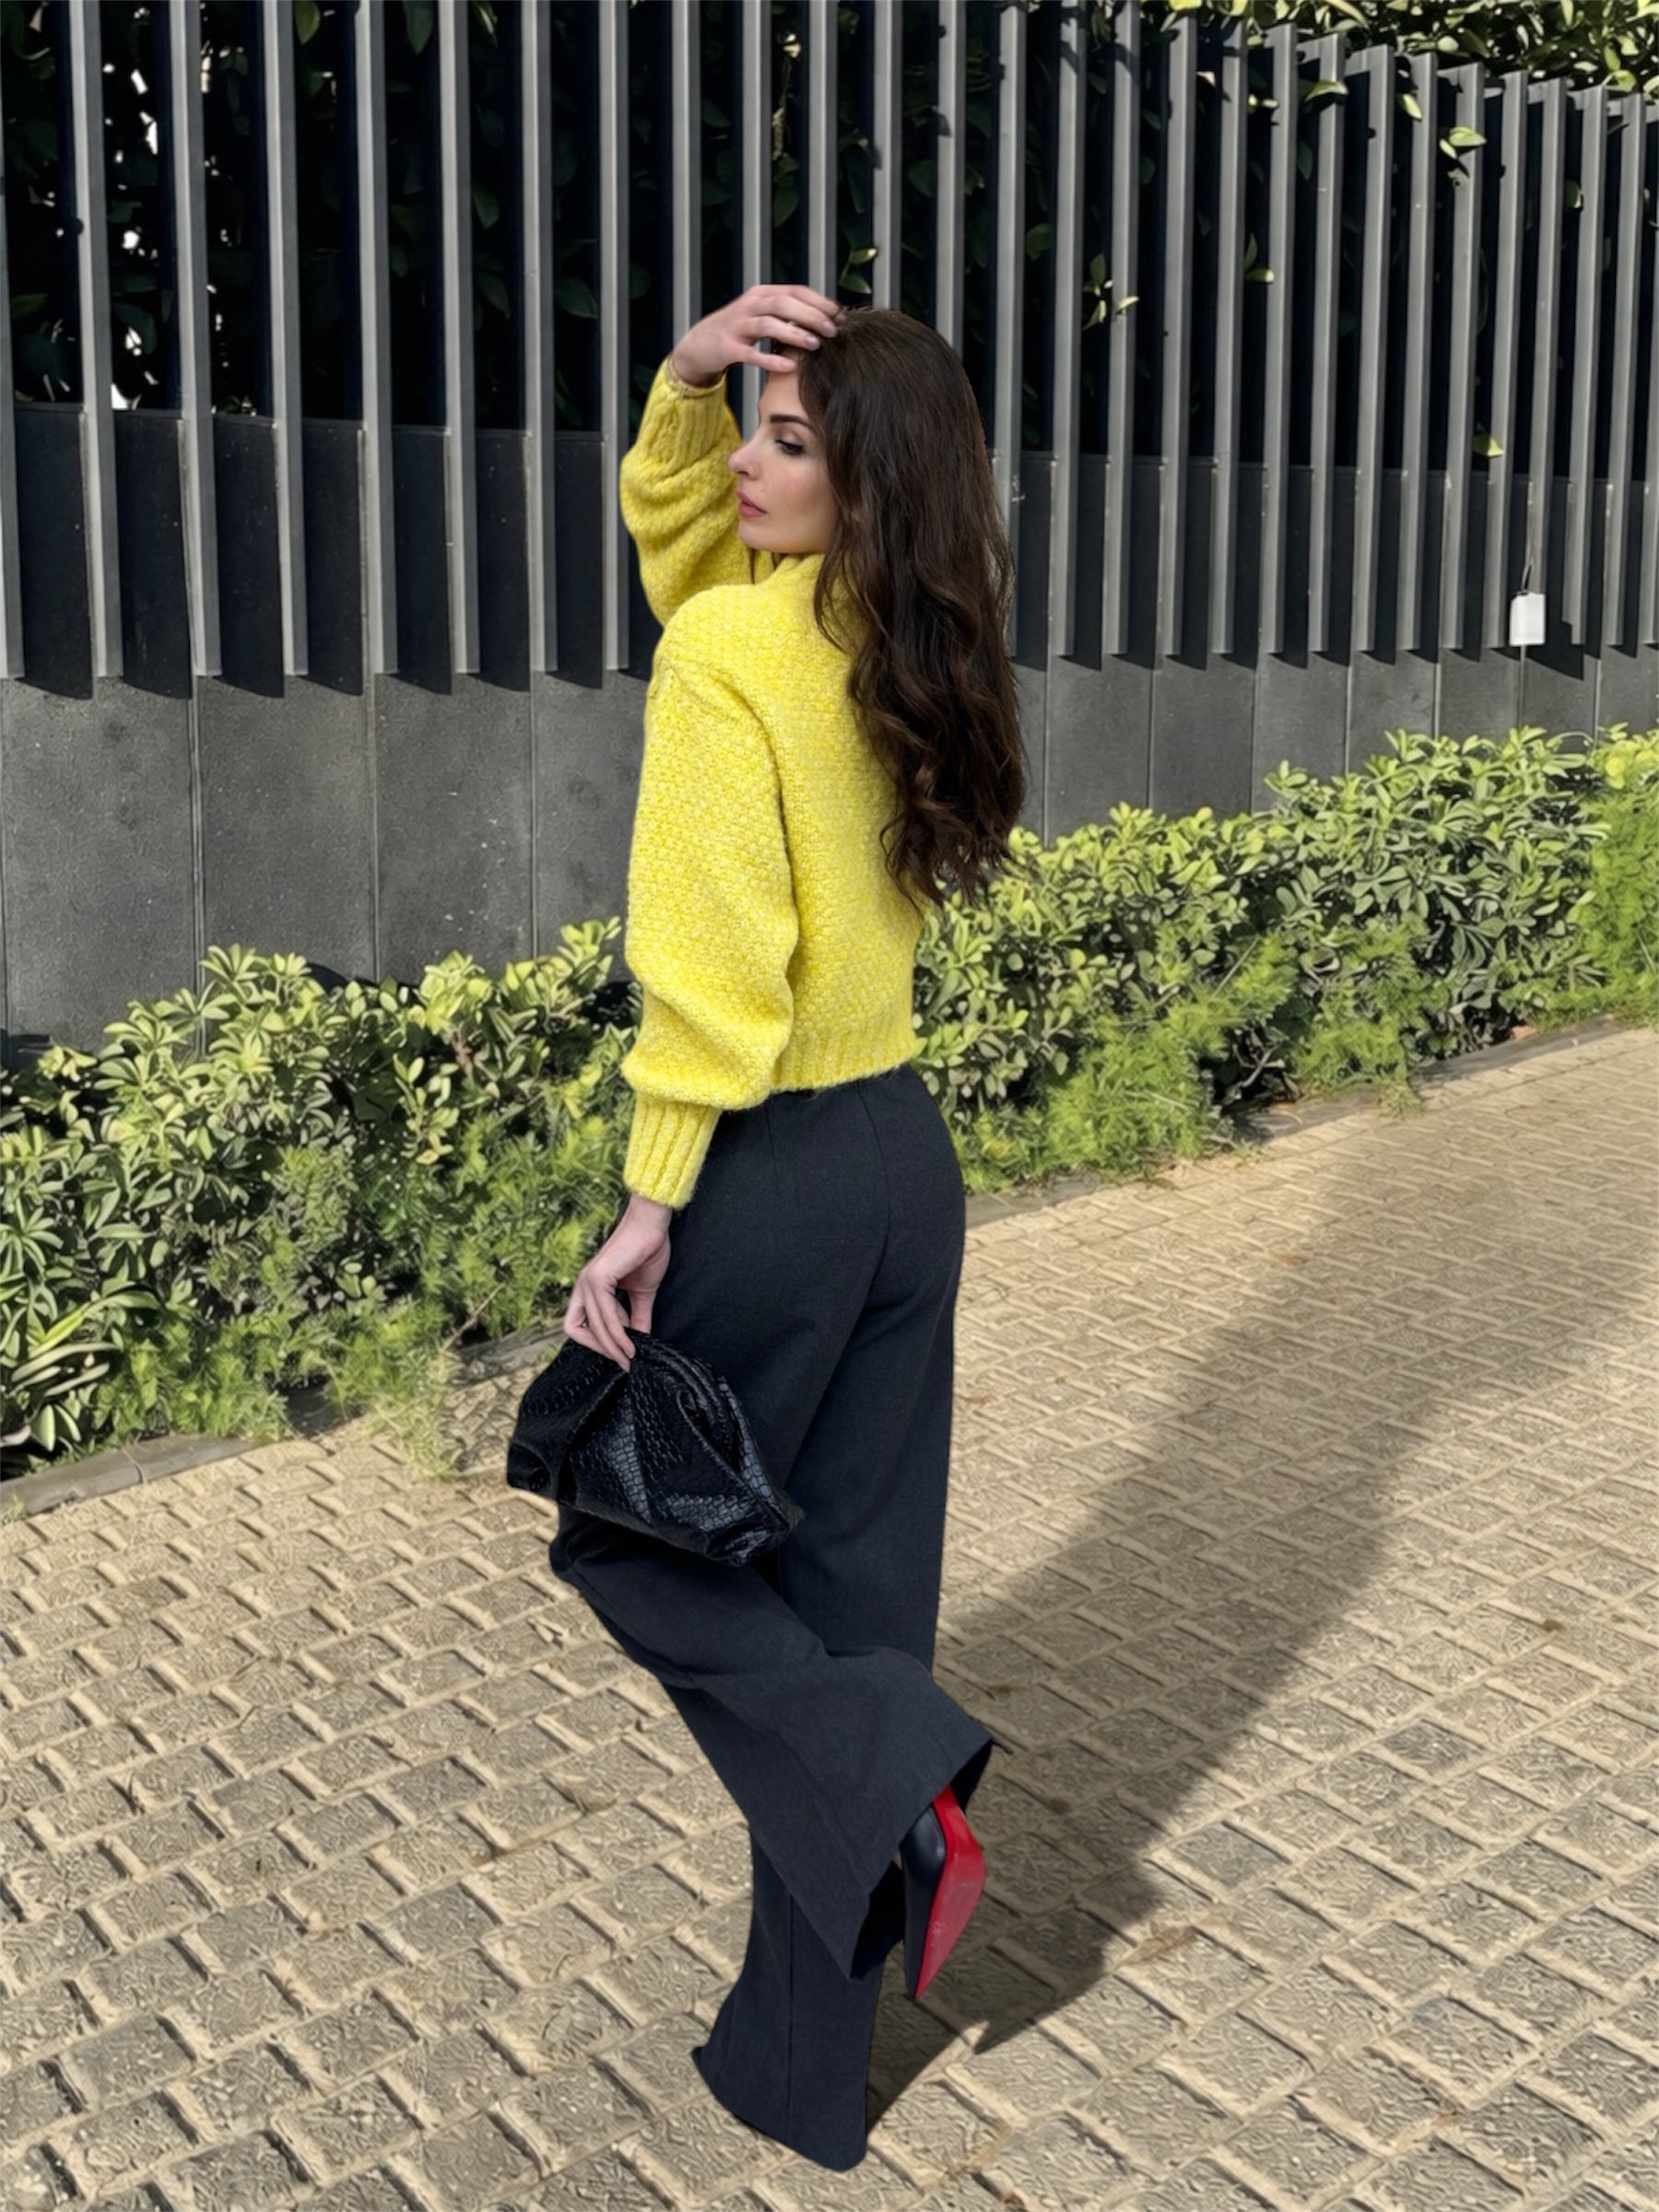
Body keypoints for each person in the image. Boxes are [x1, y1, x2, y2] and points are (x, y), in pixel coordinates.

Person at [546, 284, 1027, 2171]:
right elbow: (693, 552)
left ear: (861, 480)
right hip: (911, 1168)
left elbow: (716, 958)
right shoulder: (899, 637)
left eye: (785, 439)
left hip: (775, 1173)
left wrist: (648, 1196)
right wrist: (687, 381)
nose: (741, 461)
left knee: (625, 1527)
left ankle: (902, 1780)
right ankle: (799, 2070)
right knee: (849, 1602)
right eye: (746, 425)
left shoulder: (728, 661)